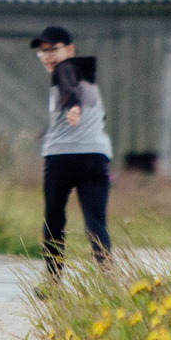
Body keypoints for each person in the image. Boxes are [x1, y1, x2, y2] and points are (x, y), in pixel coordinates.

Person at [36, 24, 113, 279]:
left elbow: (68, 88)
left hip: (62, 158)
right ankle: (107, 278)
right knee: (96, 224)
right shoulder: (87, 76)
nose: (48, 56)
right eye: (43, 51)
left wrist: (74, 107)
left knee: (54, 221)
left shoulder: (64, 69)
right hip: (96, 156)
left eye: (53, 50)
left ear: (69, 49)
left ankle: (53, 280)